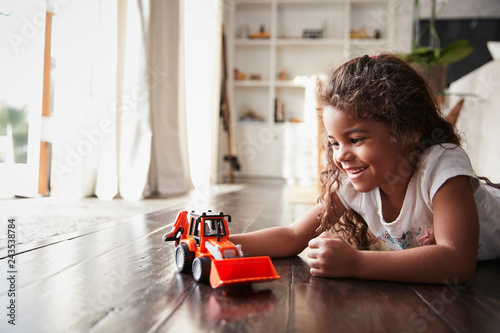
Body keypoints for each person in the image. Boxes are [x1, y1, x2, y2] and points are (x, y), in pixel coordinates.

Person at [230, 54, 500, 284]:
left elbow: (457, 262)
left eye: (356, 140)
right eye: (334, 143)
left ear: (409, 131)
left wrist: (356, 264)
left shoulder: (441, 164)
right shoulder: (356, 182)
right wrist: (216, 242)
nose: (341, 156)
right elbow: (292, 235)